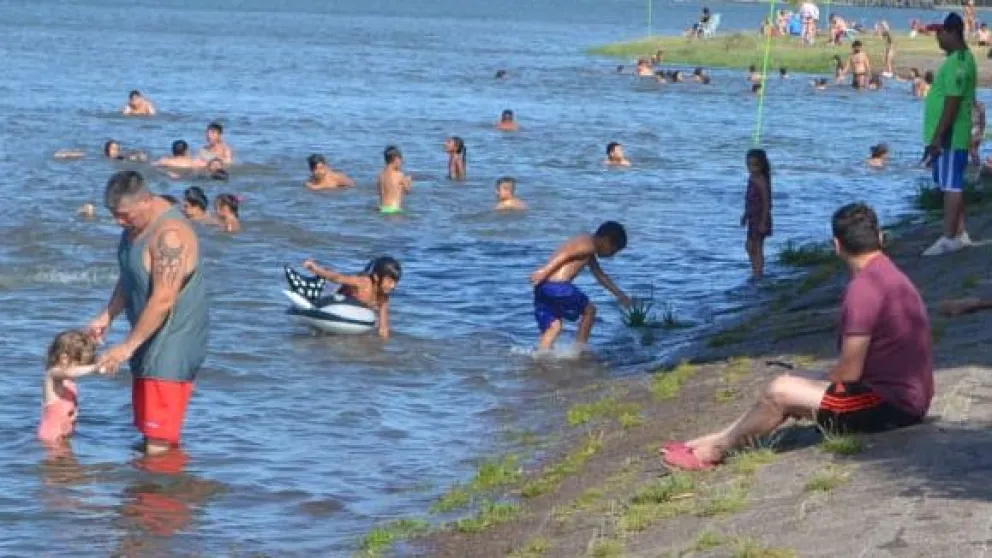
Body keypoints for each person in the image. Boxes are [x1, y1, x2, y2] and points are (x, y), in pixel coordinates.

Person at [663, 203, 933, 470]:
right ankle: (718, 438)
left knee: (780, 392)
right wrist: (811, 381)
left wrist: (811, 388)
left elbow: (850, 372)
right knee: (791, 380)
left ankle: (714, 451)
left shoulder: (863, 290)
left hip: (893, 405)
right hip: (907, 395)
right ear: (881, 238)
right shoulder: (888, 273)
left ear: (836, 246)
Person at [88, 170, 209, 456]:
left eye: (124, 215)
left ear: (145, 201)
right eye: (114, 215)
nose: (119, 222)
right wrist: (107, 316)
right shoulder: (132, 230)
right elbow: (129, 276)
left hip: (172, 341)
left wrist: (126, 347)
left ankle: (161, 498)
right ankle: (142, 496)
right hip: (145, 338)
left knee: (159, 441)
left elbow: (163, 299)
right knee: (147, 432)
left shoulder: (171, 236)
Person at [922, 13, 978, 257]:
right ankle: (960, 232)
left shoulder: (958, 62)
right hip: (955, 134)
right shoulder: (963, 59)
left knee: (950, 186)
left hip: (951, 135)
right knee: (952, 183)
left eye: (940, 33)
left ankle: (948, 238)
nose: (937, 39)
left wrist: (937, 137)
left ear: (951, 32)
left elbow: (953, 102)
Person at [530, 222, 631, 352]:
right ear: (606, 240)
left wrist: (620, 295)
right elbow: (565, 255)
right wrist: (544, 270)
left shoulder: (587, 247)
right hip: (557, 287)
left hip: (543, 287)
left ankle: (541, 356)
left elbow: (600, 276)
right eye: (613, 250)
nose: (611, 255)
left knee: (553, 327)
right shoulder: (587, 244)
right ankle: (579, 350)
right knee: (590, 311)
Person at [300, 257, 402, 339]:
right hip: (335, 299)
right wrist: (314, 269)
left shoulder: (383, 297)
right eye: (389, 281)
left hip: (350, 315)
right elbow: (338, 278)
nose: (393, 286)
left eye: (395, 282)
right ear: (376, 277)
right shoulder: (363, 283)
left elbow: (383, 328)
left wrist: (384, 350)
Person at [38, 330, 105, 444]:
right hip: (51, 437)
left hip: (65, 435)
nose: (82, 369)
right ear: (64, 358)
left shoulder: (69, 382)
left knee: (71, 461)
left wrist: (95, 345)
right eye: (81, 365)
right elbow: (70, 372)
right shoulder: (53, 375)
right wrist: (94, 368)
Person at [741, 149, 772, 280]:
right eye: (750, 165)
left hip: (760, 218)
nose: (752, 169)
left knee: (757, 247)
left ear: (762, 165)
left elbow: (766, 203)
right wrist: (745, 215)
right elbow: (749, 200)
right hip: (752, 218)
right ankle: (755, 270)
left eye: (756, 165)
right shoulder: (751, 178)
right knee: (749, 246)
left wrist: (763, 222)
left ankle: (758, 273)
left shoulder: (761, 180)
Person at [377, 145, 412, 214]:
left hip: (382, 209)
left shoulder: (380, 175)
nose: (402, 162)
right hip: (394, 210)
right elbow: (408, 191)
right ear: (396, 159)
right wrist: (409, 182)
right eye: (401, 159)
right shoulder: (399, 175)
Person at [971, 99, 986, 166]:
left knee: (973, 151)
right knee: (975, 152)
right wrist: (982, 134)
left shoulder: (965, 106)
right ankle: (977, 166)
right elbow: (983, 122)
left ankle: (976, 167)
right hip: (978, 131)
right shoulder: (980, 105)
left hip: (972, 132)